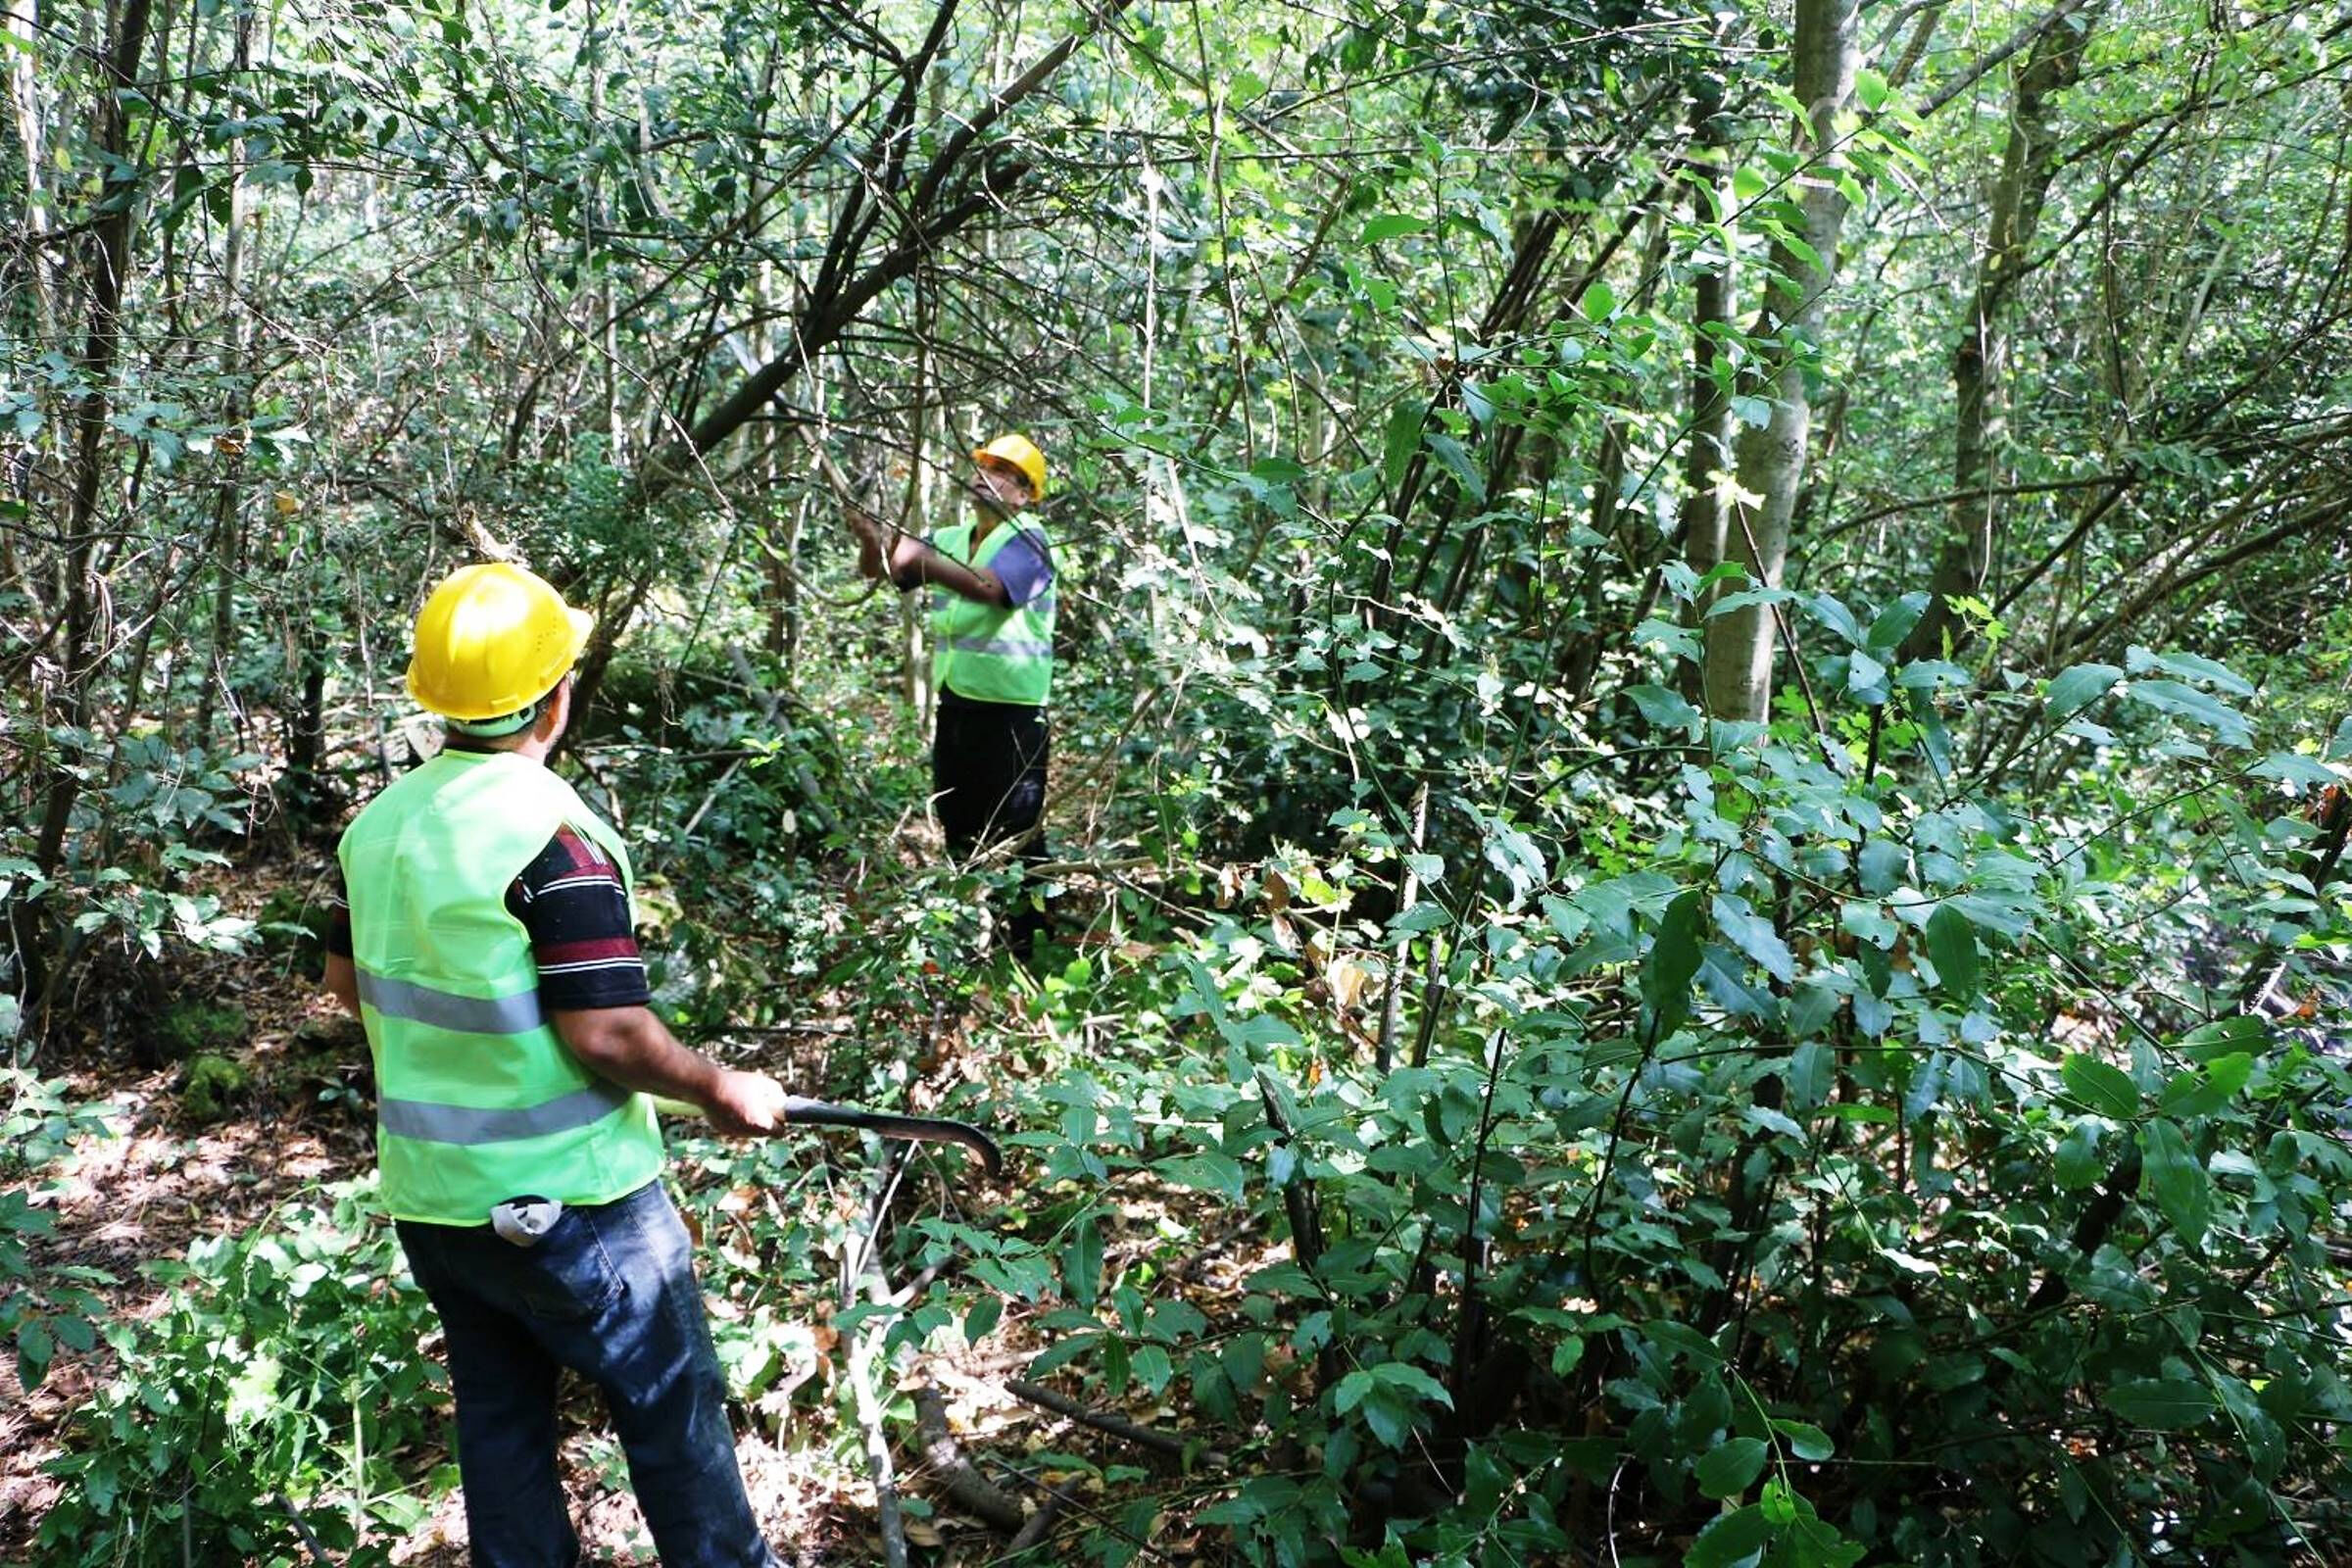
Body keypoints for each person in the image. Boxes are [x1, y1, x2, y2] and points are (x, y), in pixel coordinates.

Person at [322, 562, 786, 1568]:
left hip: (438, 1205)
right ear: (556, 696)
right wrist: (719, 1085)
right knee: (674, 1422)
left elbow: (343, 977)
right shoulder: (548, 835)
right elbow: (607, 1033)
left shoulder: (377, 828)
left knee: (500, 1426)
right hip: (579, 1207)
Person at [848, 433, 1056, 961]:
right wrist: (874, 538)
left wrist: (921, 555)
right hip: (957, 703)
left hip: (1013, 714)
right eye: (984, 465)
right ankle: (970, 929)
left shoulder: (1030, 542)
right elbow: (883, 570)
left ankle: (1031, 944)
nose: (987, 476)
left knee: (1016, 830)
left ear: (1024, 494)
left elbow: (990, 588)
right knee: (957, 817)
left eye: (1004, 472)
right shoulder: (950, 535)